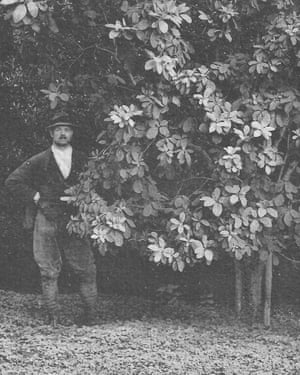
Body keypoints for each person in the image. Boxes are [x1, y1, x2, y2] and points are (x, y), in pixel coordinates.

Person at [5, 119, 98, 327]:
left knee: (86, 268)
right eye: (58, 130)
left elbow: (96, 184)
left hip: (75, 220)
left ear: (72, 133)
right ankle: (53, 316)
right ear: (51, 134)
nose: (62, 133)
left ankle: (91, 316)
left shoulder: (84, 160)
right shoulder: (40, 160)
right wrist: (35, 196)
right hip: (46, 217)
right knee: (48, 269)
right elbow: (13, 181)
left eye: (67, 129)